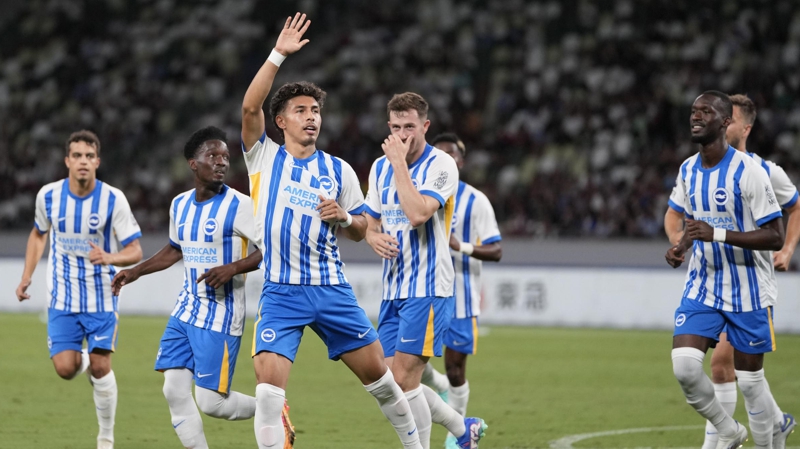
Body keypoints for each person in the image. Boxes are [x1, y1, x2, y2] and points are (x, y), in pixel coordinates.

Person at [241, 13, 422, 449]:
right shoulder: (262, 157)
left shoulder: (337, 169)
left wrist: (344, 218)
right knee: (267, 391)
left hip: (331, 290)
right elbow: (250, 107)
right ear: (280, 121)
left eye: (316, 110)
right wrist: (278, 53)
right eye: (300, 111)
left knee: (381, 381)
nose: (311, 117)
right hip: (281, 291)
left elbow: (362, 229)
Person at [110, 126, 297, 449]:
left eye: (226, 156)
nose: (222, 162)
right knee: (173, 390)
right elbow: (175, 248)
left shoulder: (240, 205)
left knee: (213, 403)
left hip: (221, 313)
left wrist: (234, 267)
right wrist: (135, 271)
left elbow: (272, 247)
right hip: (186, 309)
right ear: (193, 163)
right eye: (213, 156)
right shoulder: (179, 205)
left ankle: (272, 408)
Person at [665, 94, 797, 449]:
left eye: (705, 112)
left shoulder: (753, 171)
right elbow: (692, 224)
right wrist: (681, 246)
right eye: (693, 111)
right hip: (704, 285)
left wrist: (719, 234)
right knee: (685, 368)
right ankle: (727, 430)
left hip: (749, 289)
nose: (696, 117)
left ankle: (770, 440)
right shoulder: (688, 170)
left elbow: (775, 234)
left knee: (751, 382)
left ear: (727, 123)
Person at [363, 94, 487, 449]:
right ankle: (464, 430)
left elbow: (418, 213)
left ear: (425, 127)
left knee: (402, 381)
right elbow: (369, 223)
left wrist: (399, 163)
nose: (403, 135)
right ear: (389, 127)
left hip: (430, 287)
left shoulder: (441, 165)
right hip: (393, 289)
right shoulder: (378, 167)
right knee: (391, 384)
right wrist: (372, 237)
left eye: (410, 127)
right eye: (396, 127)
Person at [15, 130, 143, 449]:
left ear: (97, 161)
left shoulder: (113, 199)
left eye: (89, 156)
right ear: (67, 161)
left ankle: (106, 438)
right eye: (77, 156)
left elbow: (136, 250)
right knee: (65, 369)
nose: (83, 162)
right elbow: (38, 234)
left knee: (101, 366)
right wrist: (26, 275)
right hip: (63, 297)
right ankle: (82, 360)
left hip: (102, 295)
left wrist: (111, 257)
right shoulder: (48, 196)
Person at [418, 133, 502, 449]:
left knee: (455, 370)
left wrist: (461, 246)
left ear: (461, 161)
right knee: (406, 362)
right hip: (421, 292)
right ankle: (437, 384)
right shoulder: (417, 193)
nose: (445, 159)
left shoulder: (476, 200)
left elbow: (496, 250)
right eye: (438, 154)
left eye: (451, 154)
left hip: (461, 299)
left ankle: (459, 435)